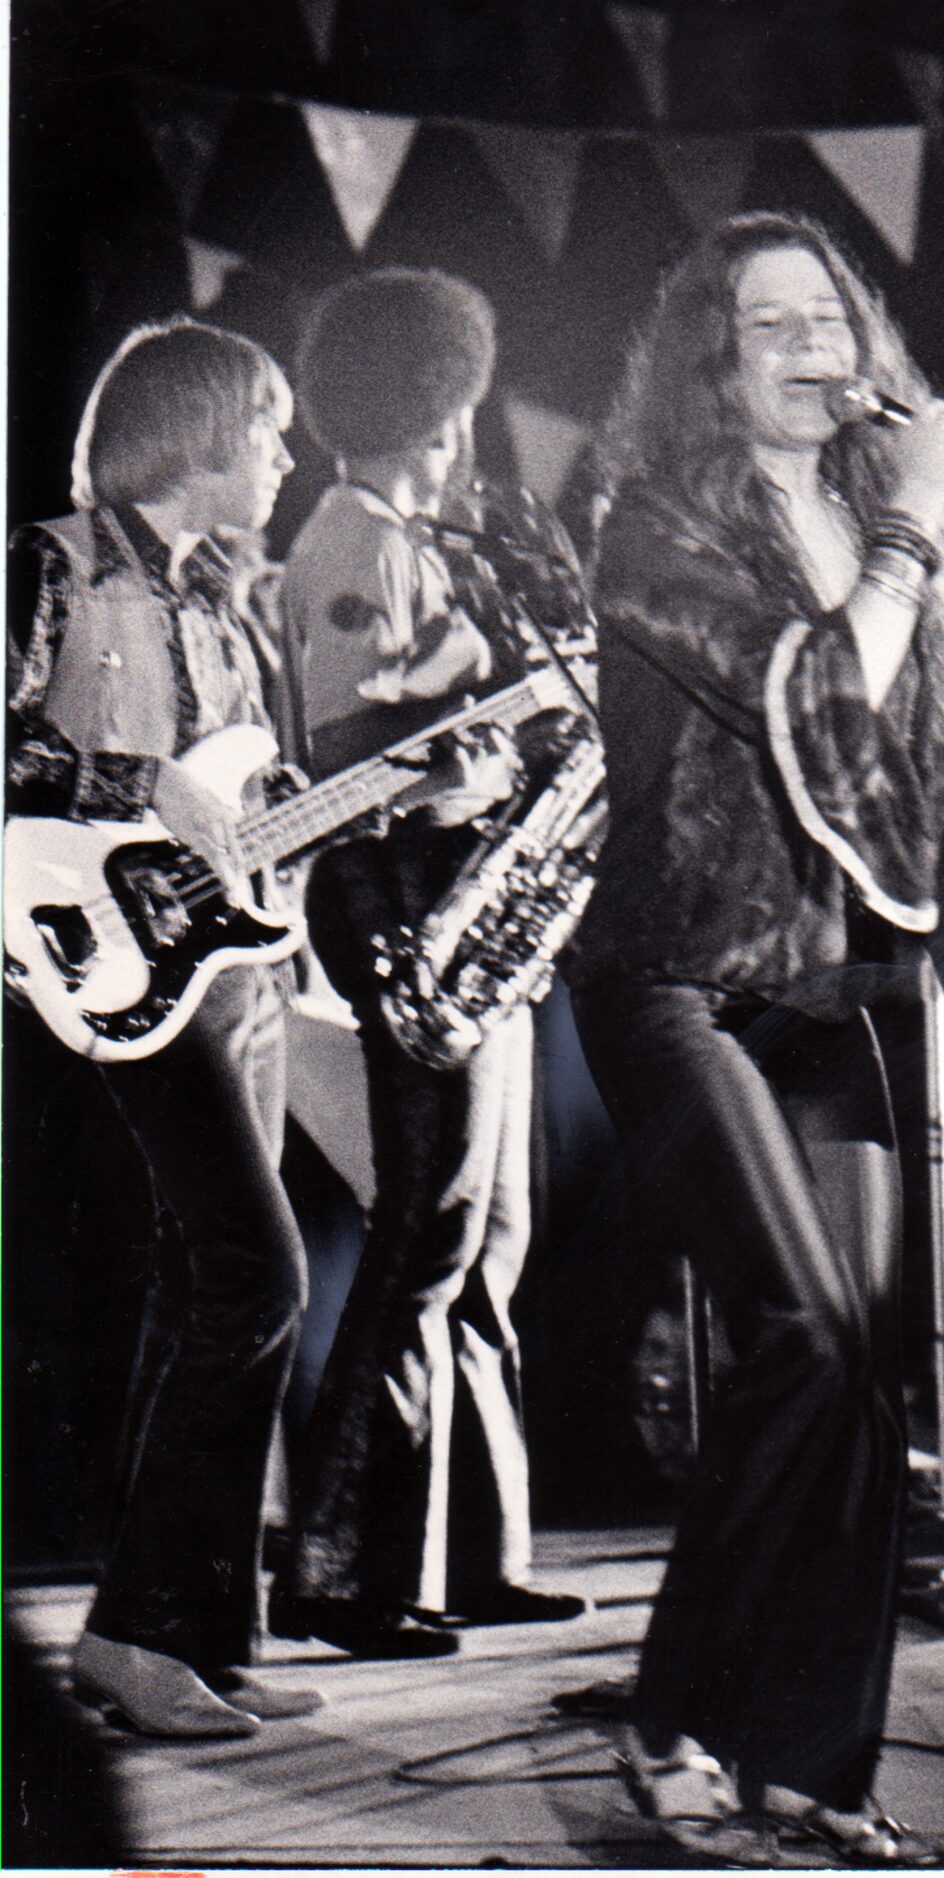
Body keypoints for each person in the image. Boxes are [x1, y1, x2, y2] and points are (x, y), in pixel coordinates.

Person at [566, 212, 944, 1865]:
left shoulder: (899, 541)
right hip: (673, 978)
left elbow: (933, 800)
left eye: (832, 320)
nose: (815, 351)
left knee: (861, 1370)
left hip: (826, 990)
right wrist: (912, 540)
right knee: (794, 1330)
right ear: (714, 365)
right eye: (771, 325)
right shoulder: (653, 530)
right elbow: (813, 693)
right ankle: (667, 1725)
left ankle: (809, 1765)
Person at [5, 318, 320, 1737]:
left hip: (217, 969)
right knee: (258, 1275)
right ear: (198, 429)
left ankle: (201, 1632)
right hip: (85, 956)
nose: (285, 454)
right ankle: (133, 1633)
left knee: (204, 1285)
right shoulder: (52, 562)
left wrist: (328, 820)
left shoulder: (224, 602)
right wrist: (135, 780)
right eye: (268, 428)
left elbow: (238, 810)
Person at [272, 268, 588, 1661]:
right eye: (456, 401)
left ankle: (473, 1553)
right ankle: (345, 1567)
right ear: (435, 404)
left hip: (458, 894)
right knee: (428, 1233)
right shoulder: (353, 538)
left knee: (489, 1231)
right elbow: (347, 755)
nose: (469, 427)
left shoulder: (407, 531)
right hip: (402, 896)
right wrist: (466, 750)